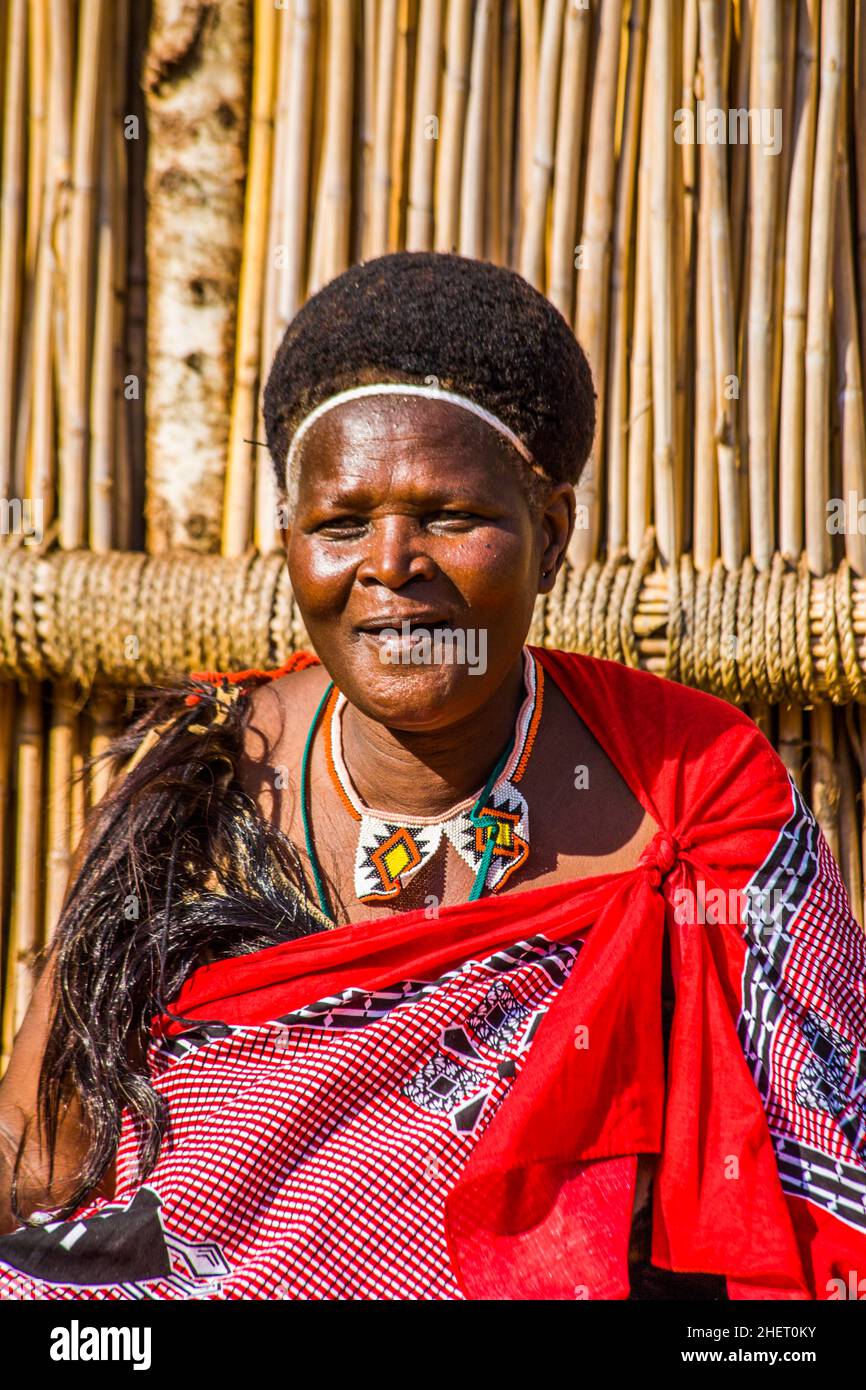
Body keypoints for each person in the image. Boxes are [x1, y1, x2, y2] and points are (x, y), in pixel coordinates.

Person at [0, 252, 864, 1301]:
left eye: (450, 517)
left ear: (550, 535)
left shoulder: (691, 799)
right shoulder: (202, 789)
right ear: (288, 540)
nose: (391, 562)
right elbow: (41, 1152)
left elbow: (818, 1193)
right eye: (340, 522)